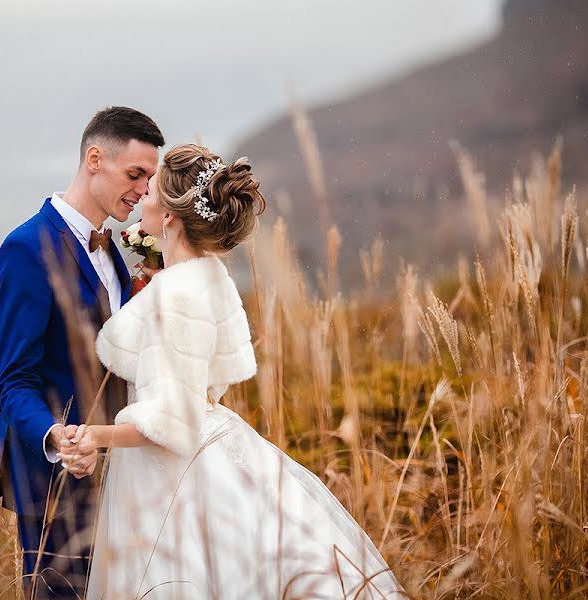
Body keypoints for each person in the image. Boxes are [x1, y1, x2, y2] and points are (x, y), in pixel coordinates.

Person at [58, 144, 406, 599]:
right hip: (218, 443)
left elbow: (169, 423)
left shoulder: (175, 296)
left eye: (151, 191)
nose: (141, 196)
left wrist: (93, 436)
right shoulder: (208, 276)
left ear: (168, 217)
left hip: (174, 475)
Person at [0, 106, 164, 597]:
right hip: (54, 484)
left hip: (116, 469)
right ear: (94, 159)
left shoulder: (110, 249)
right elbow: (14, 381)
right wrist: (56, 439)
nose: (143, 190)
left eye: (149, 178)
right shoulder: (26, 249)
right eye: (135, 174)